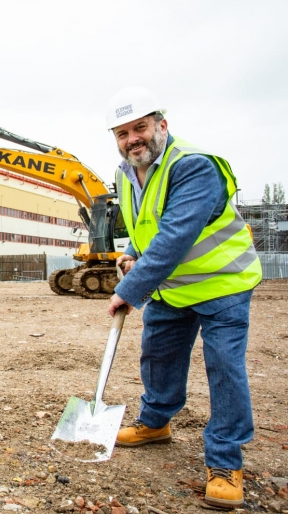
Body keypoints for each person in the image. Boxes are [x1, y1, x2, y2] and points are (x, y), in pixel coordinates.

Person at [105, 87, 261, 509]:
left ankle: (225, 460)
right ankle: (155, 423)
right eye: (123, 133)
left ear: (162, 125)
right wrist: (133, 254)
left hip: (221, 284)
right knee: (157, 355)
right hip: (171, 288)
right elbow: (147, 225)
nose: (133, 138)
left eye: (140, 128)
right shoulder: (124, 171)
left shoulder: (193, 167)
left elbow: (176, 235)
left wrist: (128, 291)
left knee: (224, 367)